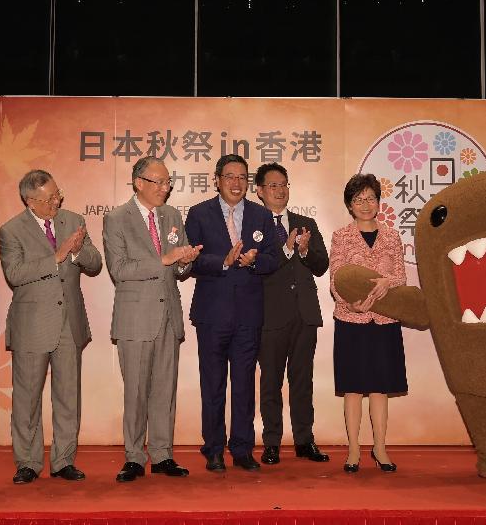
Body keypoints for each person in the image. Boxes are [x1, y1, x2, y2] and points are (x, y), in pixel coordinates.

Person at [0, 169, 102, 485]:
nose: (57, 201)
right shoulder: (11, 230)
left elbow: (95, 264)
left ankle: (63, 460)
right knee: (27, 398)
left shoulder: (73, 220)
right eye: (49, 198)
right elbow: (14, 274)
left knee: (68, 395)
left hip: (69, 323)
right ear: (30, 200)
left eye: (58, 194)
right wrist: (56, 256)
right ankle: (27, 462)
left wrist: (76, 251)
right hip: (32, 324)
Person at [103, 156, 202, 482]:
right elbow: (119, 270)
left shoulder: (172, 215)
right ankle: (134, 456)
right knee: (135, 391)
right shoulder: (117, 219)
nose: (165, 188)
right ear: (138, 183)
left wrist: (186, 260)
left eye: (167, 182)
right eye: (158, 182)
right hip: (135, 317)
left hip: (167, 315)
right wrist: (165, 259)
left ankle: (162, 455)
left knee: (164, 390)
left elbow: (178, 268)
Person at [184, 154, 280, 472]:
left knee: (243, 385)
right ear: (217, 180)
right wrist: (222, 261)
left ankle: (241, 449)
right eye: (230, 177)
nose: (236, 183)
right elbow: (191, 261)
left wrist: (255, 261)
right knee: (212, 384)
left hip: (249, 315)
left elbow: (273, 259)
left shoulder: (260, 215)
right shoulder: (199, 214)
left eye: (242, 177)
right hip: (212, 314)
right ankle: (213, 448)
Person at [329, 173, 407, 473]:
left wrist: (389, 282)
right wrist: (351, 303)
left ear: (378, 202)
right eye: (358, 199)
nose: (365, 204)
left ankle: (380, 448)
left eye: (370, 198)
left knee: (379, 388)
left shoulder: (392, 236)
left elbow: (401, 276)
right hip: (351, 319)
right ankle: (353, 450)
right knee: (352, 388)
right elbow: (336, 278)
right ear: (350, 205)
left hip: (385, 320)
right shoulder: (341, 236)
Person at [254, 163, 330, 465]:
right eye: (272, 185)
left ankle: (304, 440)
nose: (280, 190)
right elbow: (255, 268)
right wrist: (286, 250)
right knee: (270, 382)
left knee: (302, 381)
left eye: (283, 184)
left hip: (304, 314)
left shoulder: (304, 222)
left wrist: (303, 251)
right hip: (269, 316)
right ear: (259, 191)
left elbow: (321, 264)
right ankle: (271, 442)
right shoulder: (254, 225)